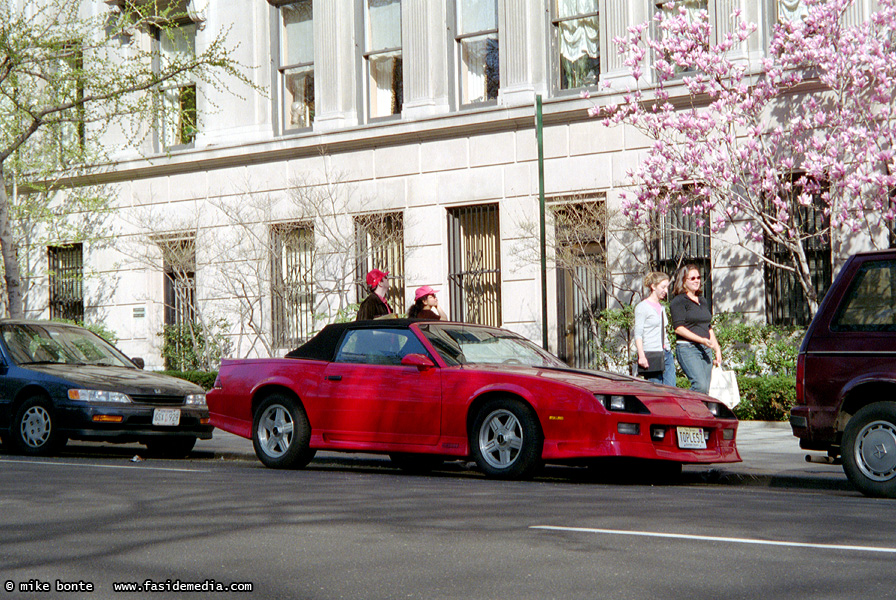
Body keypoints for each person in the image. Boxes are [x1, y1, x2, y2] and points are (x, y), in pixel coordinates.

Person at [669, 264, 721, 394]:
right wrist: (702, 340)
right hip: (688, 349)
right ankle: (683, 410)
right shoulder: (679, 301)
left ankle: (701, 414)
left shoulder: (702, 300)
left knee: (706, 391)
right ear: (684, 281)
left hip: (705, 350)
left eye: (698, 277)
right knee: (700, 386)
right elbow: (679, 329)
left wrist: (717, 348)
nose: (697, 280)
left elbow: (707, 326)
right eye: (692, 278)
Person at [634, 272, 675, 386]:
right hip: (651, 355)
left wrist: (667, 348)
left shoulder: (662, 307)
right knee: (656, 392)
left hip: (665, 353)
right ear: (653, 286)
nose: (666, 291)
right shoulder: (642, 307)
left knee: (671, 391)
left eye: (667, 287)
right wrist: (641, 356)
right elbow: (638, 334)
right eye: (663, 287)